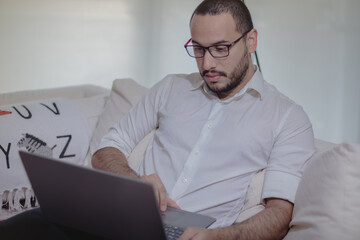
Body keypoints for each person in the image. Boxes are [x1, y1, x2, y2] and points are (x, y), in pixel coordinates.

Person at [0, 0, 314, 239]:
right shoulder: (171, 88)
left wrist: (215, 236)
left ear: (251, 41)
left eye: (221, 48)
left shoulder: (287, 117)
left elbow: (279, 213)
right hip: (116, 217)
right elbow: (107, 149)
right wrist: (135, 182)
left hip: (188, 236)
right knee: (26, 224)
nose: (207, 63)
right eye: (198, 49)